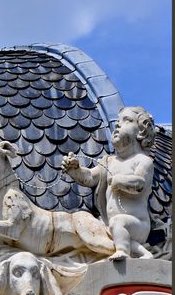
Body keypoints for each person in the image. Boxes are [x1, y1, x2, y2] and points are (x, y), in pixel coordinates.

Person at [62, 106, 156, 260]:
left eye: (126, 120)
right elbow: (90, 177)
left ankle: (123, 252)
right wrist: (75, 170)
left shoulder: (143, 161)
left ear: (141, 131)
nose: (118, 125)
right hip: (111, 225)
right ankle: (143, 253)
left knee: (119, 222)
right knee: (89, 224)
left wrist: (119, 180)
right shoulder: (109, 161)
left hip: (137, 224)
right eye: (118, 121)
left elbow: (139, 183)